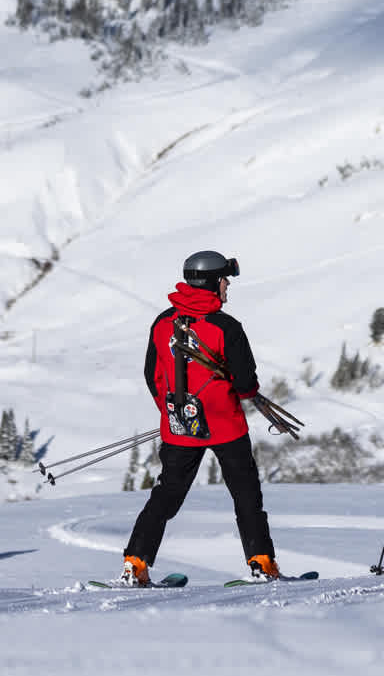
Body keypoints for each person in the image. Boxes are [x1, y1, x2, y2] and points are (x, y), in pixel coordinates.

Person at [119, 250, 282, 584]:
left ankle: (136, 562)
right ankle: (261, 563)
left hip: (180, 427)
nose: (227, 288)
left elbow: (153, 375)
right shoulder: (227, 327)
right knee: (245, 495)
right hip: (226, 425)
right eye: (225, 281)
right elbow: (245, 382)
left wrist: (174, 411)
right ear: (211, 282)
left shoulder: (163, 321)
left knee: (166, 496)